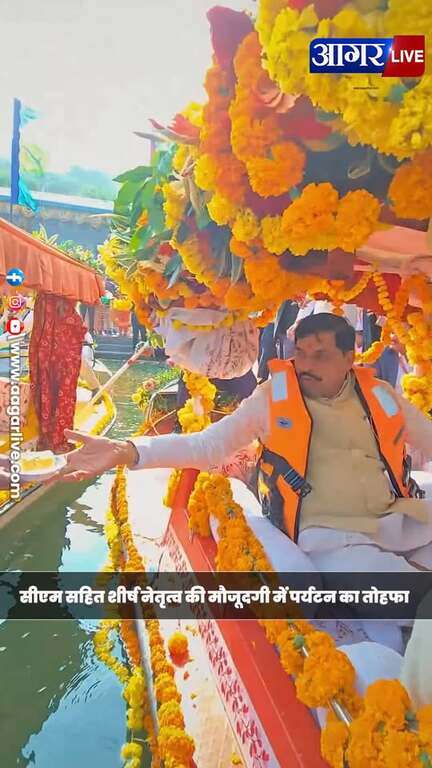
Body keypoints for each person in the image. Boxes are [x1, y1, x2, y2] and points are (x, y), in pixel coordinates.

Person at [55, 312, 432, 570]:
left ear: (350, 358)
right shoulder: (272, 398)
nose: (305, 365)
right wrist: (126, 450)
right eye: (301, 353)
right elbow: (207, 447)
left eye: (321, 356)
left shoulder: (381, 395)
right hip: (333, 540)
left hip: (396, 520)